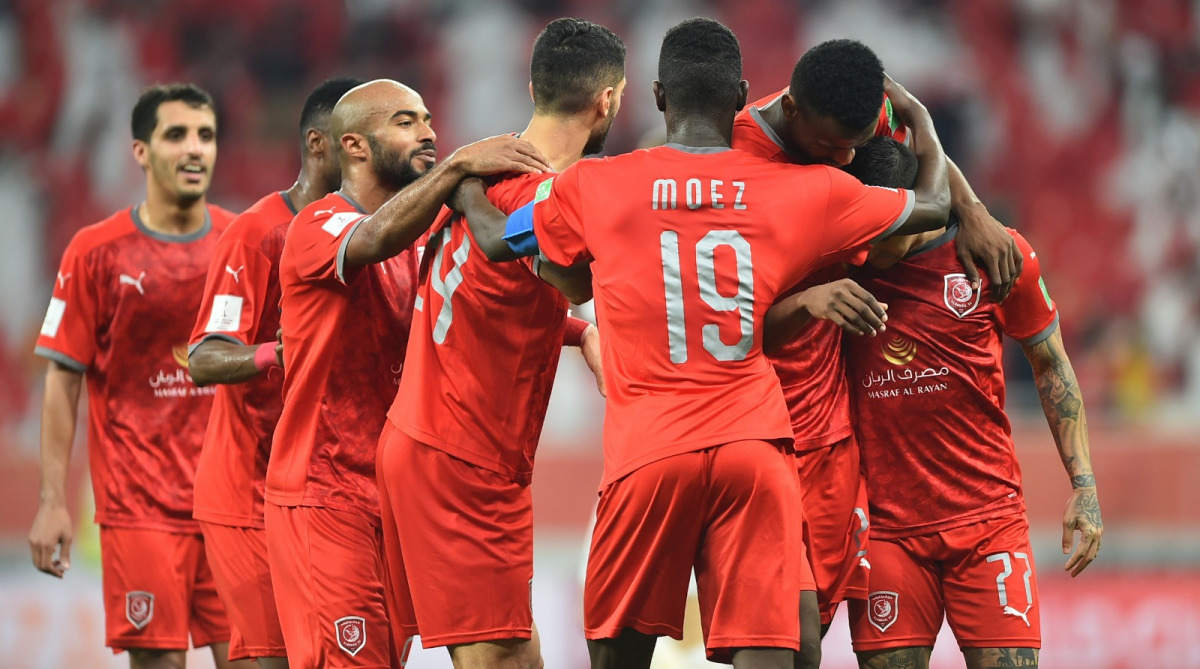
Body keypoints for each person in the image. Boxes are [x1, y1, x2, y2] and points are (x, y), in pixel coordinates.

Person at [501, 17, 953, 669]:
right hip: (753, 447)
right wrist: (922, 123)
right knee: (776, 651)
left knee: (615, 656)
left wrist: (569, 265)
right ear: (742, 96)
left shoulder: (595, 185)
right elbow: (932, 207)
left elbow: (513, 238)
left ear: (657, 97)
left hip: (648, 448)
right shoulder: (807, 191)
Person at [731, 40, 1023, 668]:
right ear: (793, 108)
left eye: (857, 144)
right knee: (785, 639)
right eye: (835, 145)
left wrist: (969, 204)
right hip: (754, 425)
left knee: (807, 639)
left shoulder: (859, 127)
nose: (847, 160)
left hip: (830, 437)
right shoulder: (738, 154)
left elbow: (931, 189)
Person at [266, 78, 550, 668]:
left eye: (426, 118)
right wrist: (457, 168)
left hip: (396, 492)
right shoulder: (318, 225)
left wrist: (582, 333)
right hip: (326, 495)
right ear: (355, 146)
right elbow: (369, 239)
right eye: (404, 121)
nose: (426, 131)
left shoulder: (419, 234)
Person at [375, 17, 623, 669]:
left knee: (514, 652)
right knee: (504, 657)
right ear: (608, 100)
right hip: (463, 459)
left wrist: (579, 332)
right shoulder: (556, 195)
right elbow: (571, 277)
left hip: (432, 436)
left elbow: (494, 290)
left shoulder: (485, 166)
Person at [834, 136, 1103, 669]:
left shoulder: (993, 257)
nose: (866, 246)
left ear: (917, 206)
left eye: (880, 231)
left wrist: (1085, 486)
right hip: (887, 531)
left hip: (988, 522)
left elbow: (1050, 364)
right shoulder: (841, 261)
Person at [29, 83, 247, 669]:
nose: (194, 148)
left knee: (251, 661)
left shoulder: (241, 242)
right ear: (141, 152)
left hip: (230, 505)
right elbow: (62, 377)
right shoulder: (94, 252)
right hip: (139, 507)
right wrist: (52, 501)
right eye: (175, 135)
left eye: (205, 134)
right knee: (160, 665)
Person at [186, 76, 364, 669]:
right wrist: (274, 353)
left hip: (325, 495)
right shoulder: (256, 234)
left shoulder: (365, 239)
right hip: (249, 493)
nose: (369, 155)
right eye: (355, 141)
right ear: (321, 145)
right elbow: (206, 357)